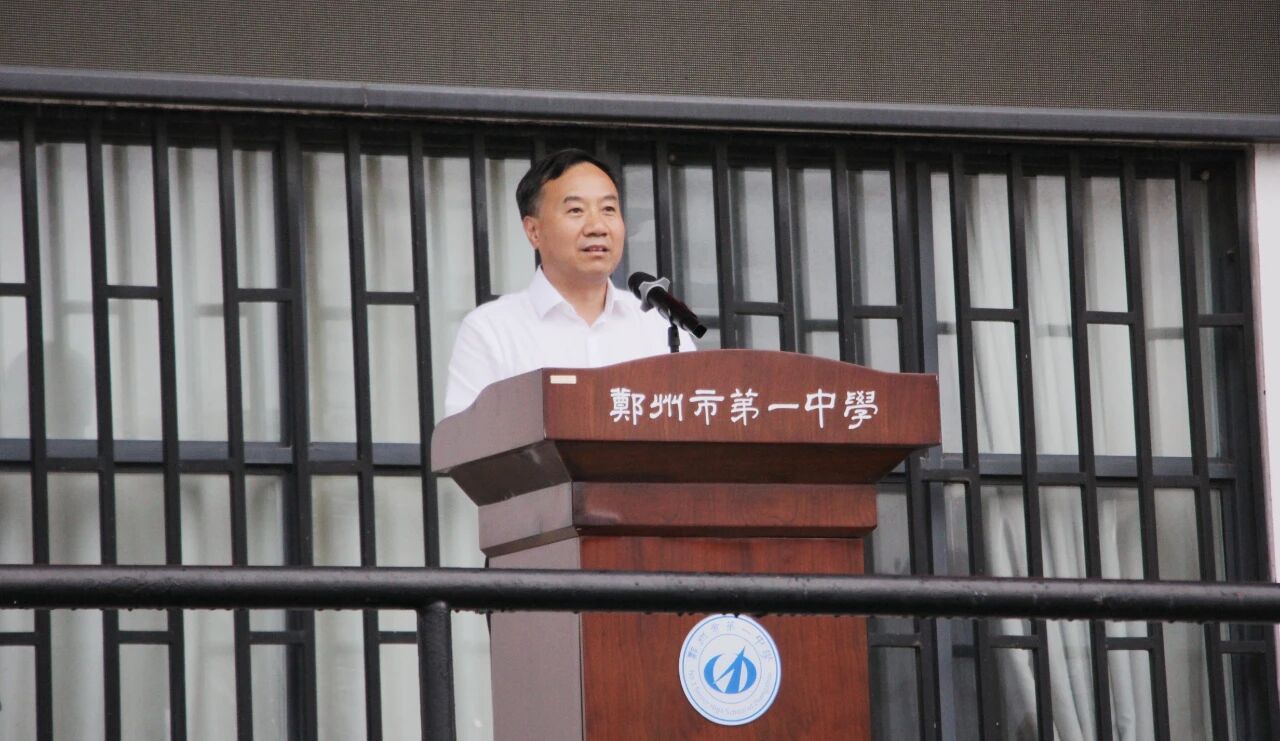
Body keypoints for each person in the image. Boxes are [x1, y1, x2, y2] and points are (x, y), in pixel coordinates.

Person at [443, 149, 696, 416]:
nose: (597, 227)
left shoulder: (659, 324)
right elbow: (466, 436)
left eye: (608, 209)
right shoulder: (491, 330)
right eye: (576, 210)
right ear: (533, 231)